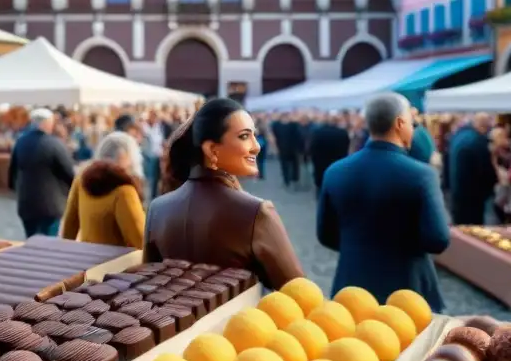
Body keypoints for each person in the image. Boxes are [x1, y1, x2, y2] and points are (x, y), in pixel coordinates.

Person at [144, 98, 303, 290]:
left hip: (171, 319)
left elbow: (151, 285)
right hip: (239, 320)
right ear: (212, 149)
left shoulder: (157, 208)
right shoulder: (257, 212)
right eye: (244, 136)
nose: (256, 146)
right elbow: (299, 292)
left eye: (255, 135)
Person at [317, 93, 450, 311]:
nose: (413, 129)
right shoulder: (422, 175)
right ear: (400, 123)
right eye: (411, 123)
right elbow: (438, 239)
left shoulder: (335, 171)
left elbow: (326, 235)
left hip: (352, 285)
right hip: (408, 289)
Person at [60, 132, 146, 248]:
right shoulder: (124, 191)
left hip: (88, 259)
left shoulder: (81, 180)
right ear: (126, 157)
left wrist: (65, 252)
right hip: (117, 263)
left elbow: (69, 227)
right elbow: (140, 240)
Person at [8, 108, 76, 237]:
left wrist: (13, 189)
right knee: (48, 245)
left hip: (26, 203)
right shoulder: (54, 144)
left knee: (31, 240)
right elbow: (69, 173)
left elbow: (13, 170)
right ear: (47, 123)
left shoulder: (21, 142)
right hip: (51, 204)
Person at [448, 112, 498, 225]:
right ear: (484, 126)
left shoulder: (458, 135)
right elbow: (487, 172)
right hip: (473, 197)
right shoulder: (478, 141)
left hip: (457, 193)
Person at [310, 114, 351, 194]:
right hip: (338, 165)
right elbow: (346, 149)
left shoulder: (317, 133)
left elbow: (312, 149)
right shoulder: (342, 133)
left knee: (321, 189)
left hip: (320, 166)